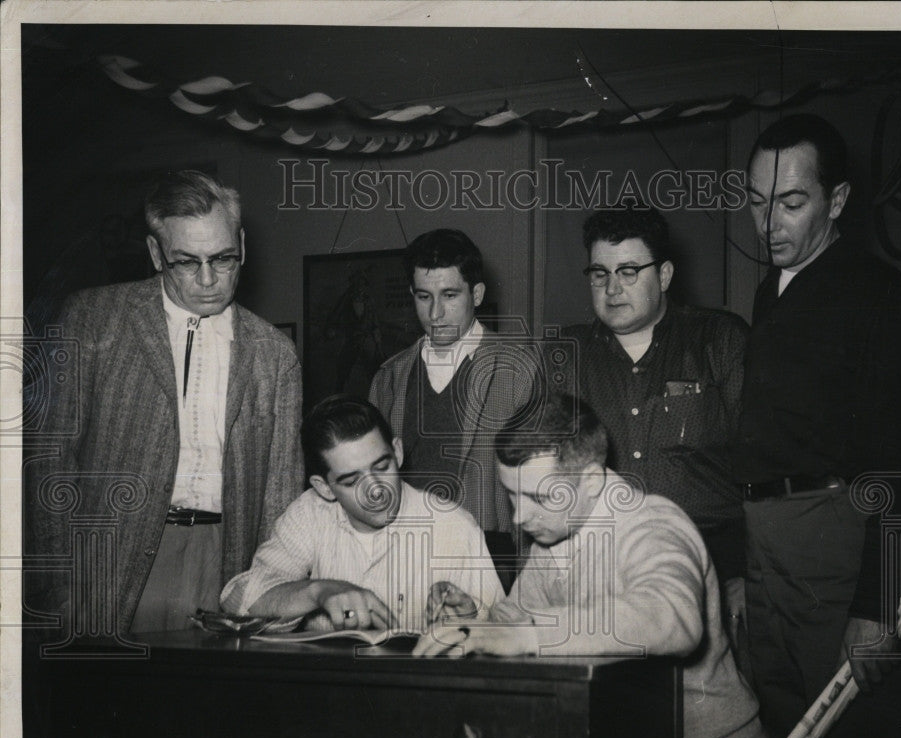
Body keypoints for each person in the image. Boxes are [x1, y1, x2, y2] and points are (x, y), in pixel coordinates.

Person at [414, 394, 770, 738]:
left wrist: (529, 634)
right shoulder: (552, 536)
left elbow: (675, 618)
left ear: (591, 481)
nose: (519, 517)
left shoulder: (654, 525)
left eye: (539, 497)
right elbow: (517, 620)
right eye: (512, 495)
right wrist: (476, 621)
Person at [24, 169, 303, 635]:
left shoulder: (274, 353)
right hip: (108, 562)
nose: (209, 279)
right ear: (156, 254)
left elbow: (280, 495)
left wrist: (271, 594)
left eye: (224, 258)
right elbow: (50, 462)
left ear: (243, 246)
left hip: (224, 560)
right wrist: (59, 587)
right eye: (187, 262)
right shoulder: (92, 319)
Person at [733, 114, 901, 738]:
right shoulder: (770, 293)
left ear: (837, 201)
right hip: (768, 544)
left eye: (791, 203)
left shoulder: (882, 296)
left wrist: (880, 603)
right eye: (757, 201)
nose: (768, 224)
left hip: (834, 544)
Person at [559, 207, 749, 635]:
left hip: (712, 569)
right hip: (605, 577)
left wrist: (744, 575)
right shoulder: (565, 356)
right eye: (599, 274)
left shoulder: (719, 341)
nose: (611, 288)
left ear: (663, 276)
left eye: (628, 271)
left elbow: (759, 468)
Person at [221, 396, 503, 631]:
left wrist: (470, 620)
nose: (376, 491)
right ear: (325, 487)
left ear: (398, 452)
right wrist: (318, 591)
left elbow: (502, 633)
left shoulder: (454, 526)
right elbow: (239, 596)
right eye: (352, 481)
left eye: (382, 467)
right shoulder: (309, 513)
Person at [369, 229, 540, 585]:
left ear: (476, 294)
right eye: (423, 296)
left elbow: (541, 487)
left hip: (491, 562)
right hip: (405, 560)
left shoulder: (520, 370)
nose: (435, 313)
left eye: (449, 295)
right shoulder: (388, 378)